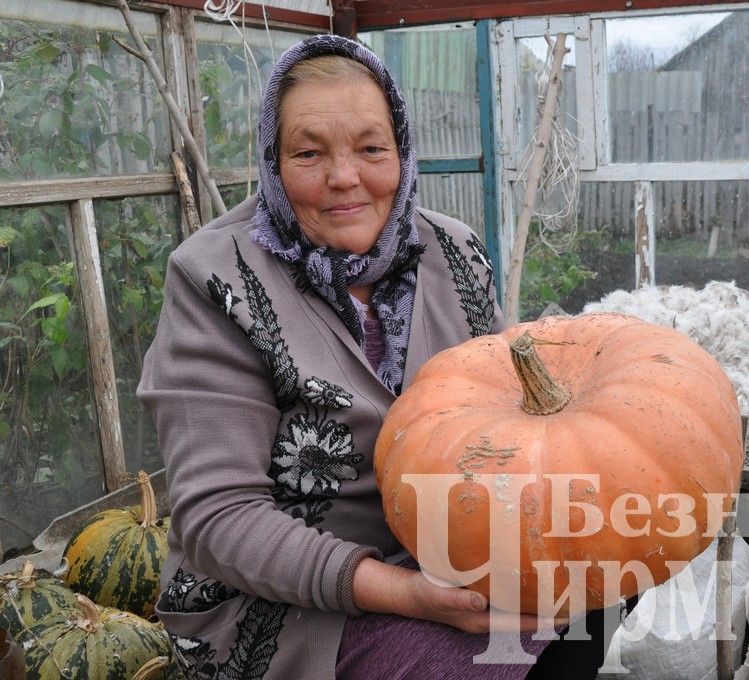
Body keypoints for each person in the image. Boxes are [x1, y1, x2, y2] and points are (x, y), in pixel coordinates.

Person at [139, 35, 630, 680]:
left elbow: (509, 424)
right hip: (284, 598)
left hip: (451, 552)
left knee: (601, 592)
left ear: (401, 151)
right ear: (273, 160)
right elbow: (219, 518)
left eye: (372, 149)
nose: (345, 177)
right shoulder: (214, 278)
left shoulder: (453, 252)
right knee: (470, 663)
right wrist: (409, 595)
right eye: (309, 153)